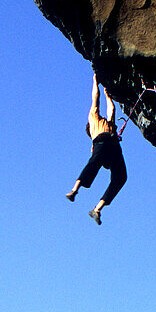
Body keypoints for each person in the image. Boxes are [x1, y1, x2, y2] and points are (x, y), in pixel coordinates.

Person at [66, 72, 127, 225]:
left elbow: (111, 109)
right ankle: (74, 190)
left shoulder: (110, 124)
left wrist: (108, 94)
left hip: (112, 147)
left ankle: (97, 209)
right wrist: (95, 81)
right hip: (102, 142)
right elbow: (95, 98)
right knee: (93, 162)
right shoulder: (94, 119)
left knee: (121, 177)